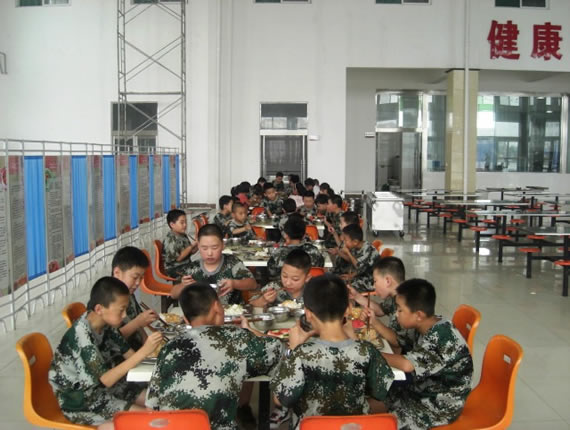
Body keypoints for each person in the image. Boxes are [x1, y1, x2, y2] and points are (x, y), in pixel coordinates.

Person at [146, 283, 282, 430]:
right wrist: (249, 331)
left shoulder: (169, 347)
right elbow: (279, 349)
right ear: (217, 307)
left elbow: (152, 406)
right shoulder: (236, 338)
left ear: (185, 319)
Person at [270, 274, 394, 430]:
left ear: (308, 314)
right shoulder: (367, 351)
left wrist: (292, 350)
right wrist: (355, 340)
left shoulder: (301, 354)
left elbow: (280, 399)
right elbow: (381, 393)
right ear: (348, 309)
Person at [49, 277, 163, 429]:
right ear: (99, 309)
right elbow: (105, 380)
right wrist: (143, 351)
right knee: (151, 422)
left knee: (159, 405)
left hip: (112, 388)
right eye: (121, 310)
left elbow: (129, 355)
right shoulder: (82, 336)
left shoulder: (106, 324)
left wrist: (153, 354)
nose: (124, 315)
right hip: (83, 402)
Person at [379, 279, 473, 430]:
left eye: (400, 310)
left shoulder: (442, 337)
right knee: (375, 396)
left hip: (440, 405)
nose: (396, 314)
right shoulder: (425, 324)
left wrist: (371, 354)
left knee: (384, 423)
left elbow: (407, 365)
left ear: (418, 315)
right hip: (422, 389)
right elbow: (399, 340)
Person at [171, 224, 257, 305]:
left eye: (214, 248)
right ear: (198, 246)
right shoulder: (192, 268)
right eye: (204, 248)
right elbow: (173, 294)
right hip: (202, 313)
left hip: (231, 312)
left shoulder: (232, 262)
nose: (209, 253)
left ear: (223, 245)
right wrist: (183, 285)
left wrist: (234, 283)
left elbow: (253, 284)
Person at [350, 256, 415, 353]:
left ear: (388, 281)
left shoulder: (407, 302)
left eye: (375, 281)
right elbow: (380, 310)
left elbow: (398, 343)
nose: (373, 286)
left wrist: (375, 322)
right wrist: (356, 296)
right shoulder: (396, 295)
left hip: (408, 356)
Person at [112, 246, 157, 351]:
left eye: (141, 278)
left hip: (138, 349)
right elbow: (112, 341)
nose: (138, 283)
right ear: (117, 273)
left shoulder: (129, 294)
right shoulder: (107, 300)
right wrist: (138, 322)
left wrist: (149, 346)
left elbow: (140, 327)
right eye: (135, 277)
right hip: (124, 356)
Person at [333, 224, 379, 292]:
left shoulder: (368, 249)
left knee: (343, 286)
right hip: (359, 274)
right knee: (336, 277)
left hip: (370, 280)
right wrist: (338, 252)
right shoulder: (356, 246)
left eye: (345, 240)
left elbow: (359, 266)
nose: (344, 242)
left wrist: (348, 252)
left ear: (355, 242)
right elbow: (353, 261)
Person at [162, 209, 198, 278]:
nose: (185, 225)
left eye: (186, 222)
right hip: (174, 269)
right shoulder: (170, 239)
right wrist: (192, 246)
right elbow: (179, 258)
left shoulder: (182, 235)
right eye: (182, 223)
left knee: (205, 265)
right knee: (201, 271)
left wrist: (199, 244)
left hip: (185, 264)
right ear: (172, 224)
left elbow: (191, 252)